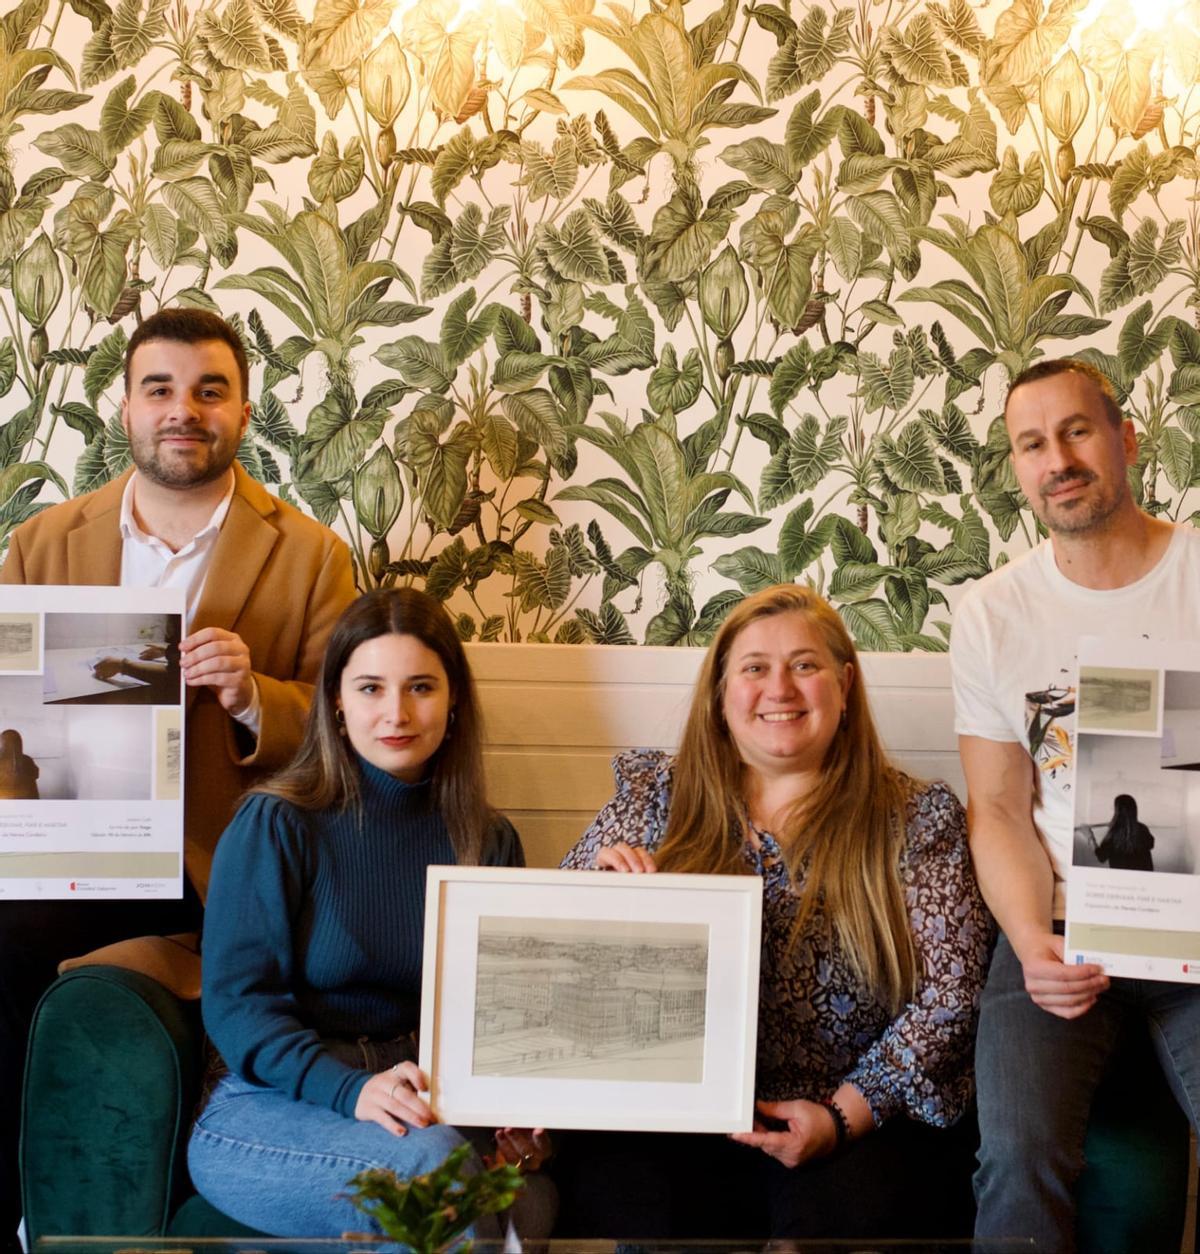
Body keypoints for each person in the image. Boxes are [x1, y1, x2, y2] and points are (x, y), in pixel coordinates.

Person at [0, 308, 356, 1248]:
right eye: (159, 388)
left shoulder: (313, 555)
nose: (182, 410)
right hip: (62, 846)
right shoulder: (42, 543)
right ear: (125, 407)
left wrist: (253, 697)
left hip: (214, 870)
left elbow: (348, 731)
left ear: (242, 411)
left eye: (209, 391)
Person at [556, 583, 992, 1240]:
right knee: (642, 1206)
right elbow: (552, 947)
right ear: (720, 694)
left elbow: (951, 996)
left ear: (845, 686)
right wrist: (599, 900)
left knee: (824, 1226)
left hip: (860, 1121)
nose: (779, 688)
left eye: (804, 665)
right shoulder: (654, 799)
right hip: (683, 1119)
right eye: (755, 668)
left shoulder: (916, 819)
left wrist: (843, 1115)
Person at [188, 587, 551, 1236]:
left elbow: (503, 1015)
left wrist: (513, 1111)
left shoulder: (488, 840)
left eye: (421, 687)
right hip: (272, 1103)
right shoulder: (277, 823)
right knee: (433, 1172)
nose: (396, 713)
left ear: (455, 699)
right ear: (336, 699)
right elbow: (238, 1006)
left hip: (423, 1098)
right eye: (370, 688)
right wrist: (351, 1090)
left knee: (531, 1197)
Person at [950, 358, 1200, 1250]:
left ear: (1127, 438)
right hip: (1060, 928)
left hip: (1197, 924)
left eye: (1077, 431)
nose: (1056, 459)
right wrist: (1029, 941)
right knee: (1017, 1157)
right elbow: (996, 809)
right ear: (1017, 467)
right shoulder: (991, 615)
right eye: (1032, 444)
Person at [1093, 794, 1155, 872]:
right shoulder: (1143, 828)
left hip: (1121, 878)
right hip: (1144, 877)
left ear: (1118, 811)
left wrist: (1090, 836)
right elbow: (1151, 844)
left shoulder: (1114, 833)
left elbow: (1101, 857)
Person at [0, 731, 38, 800]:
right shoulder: (27, 760)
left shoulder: (27, 760)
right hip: (26, 800)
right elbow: (36, 775)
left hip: (5, 802)